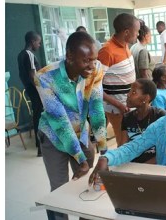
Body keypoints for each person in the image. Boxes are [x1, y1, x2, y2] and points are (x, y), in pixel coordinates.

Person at [31, 32, 104, 220]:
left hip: (81, 133)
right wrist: (80, 158)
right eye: (86, 60)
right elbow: (60, 123)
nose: (92, 65)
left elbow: (96, 110)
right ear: (69, 56)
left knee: (86, 185)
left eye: (94, 59)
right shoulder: (45, 77)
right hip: (53, 136)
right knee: (59, 190)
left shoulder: (95, 71)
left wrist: (105, 151)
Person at [98, 13, 140, 148]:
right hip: (117, 108)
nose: (138, 34)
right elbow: (94, 87)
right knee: (123, 144)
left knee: (132, 142)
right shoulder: (107, 51)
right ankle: (119, 168)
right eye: (137, 31)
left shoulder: (126, 45)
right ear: (126, 32)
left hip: (128, 104)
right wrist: (118, 104)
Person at [120, 79, 166, 164]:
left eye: (133, 92)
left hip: (155, 165)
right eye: (129, 91)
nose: (128, 95)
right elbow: (122, 147)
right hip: (132, 164)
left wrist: (142, 167)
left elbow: (165, 151)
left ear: (146, 98)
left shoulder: (160, 116)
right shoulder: (127, 117)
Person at [18, 31, 44, 156]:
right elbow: (33, 75)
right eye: (38, 42)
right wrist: (41, 90)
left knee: (36, 115)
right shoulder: (29, 54)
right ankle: (40, 147)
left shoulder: (20, 55)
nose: (39, 45)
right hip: (35, 90)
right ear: (32, 41)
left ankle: (38, 144)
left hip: (29, 89)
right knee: (39, 117)